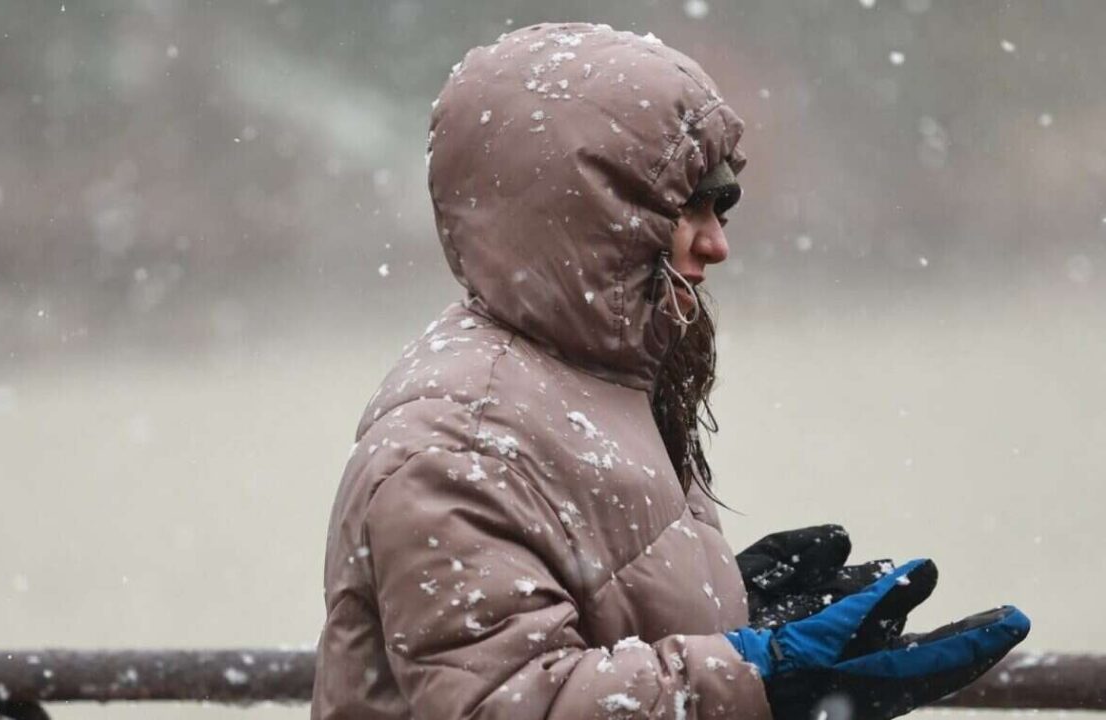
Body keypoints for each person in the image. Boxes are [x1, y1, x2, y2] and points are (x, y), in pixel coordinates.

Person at [311, 22, 1028, 720]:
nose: (717, 244)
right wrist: (758, 675)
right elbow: (504, 703)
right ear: (584, 216)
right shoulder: (460, 443)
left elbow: (566, 632)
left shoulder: (583, 381)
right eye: (686, 206)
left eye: (721, 204)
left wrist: (713, 607)